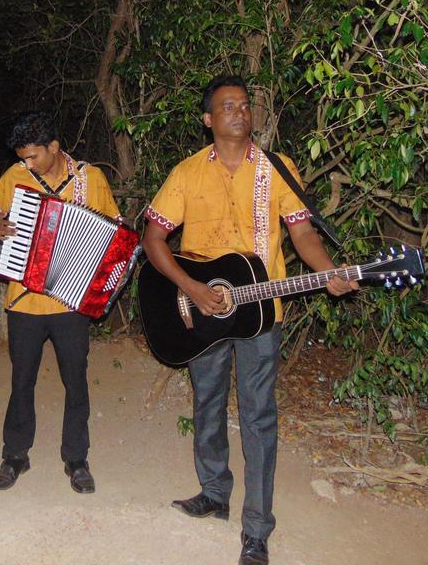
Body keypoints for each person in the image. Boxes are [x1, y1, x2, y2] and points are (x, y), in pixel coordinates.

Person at [141, 75, 356, 565]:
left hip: (262, 313)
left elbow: (302, 235)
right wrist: (194, 288)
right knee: (207, 402)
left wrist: (328, 273)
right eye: (227, 106)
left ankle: (256, 528)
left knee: (259, 417)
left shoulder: (277, 170)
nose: (239, 112)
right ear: (208, 120)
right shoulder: (187, 173)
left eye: (244, 105)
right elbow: (152, 240)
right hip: (201, 309)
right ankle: (215, 494)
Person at [0, 110, 121, 495]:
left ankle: (76, 459)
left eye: (32, 157)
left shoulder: (90, 179)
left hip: (71, 301)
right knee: (21, 380)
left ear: (54, 147)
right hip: (24, 300)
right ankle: (15, 456)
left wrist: (101, 276)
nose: (25, 164)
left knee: (75, 381)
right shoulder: (15, 178)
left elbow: (115, 233)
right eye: (21, 157)